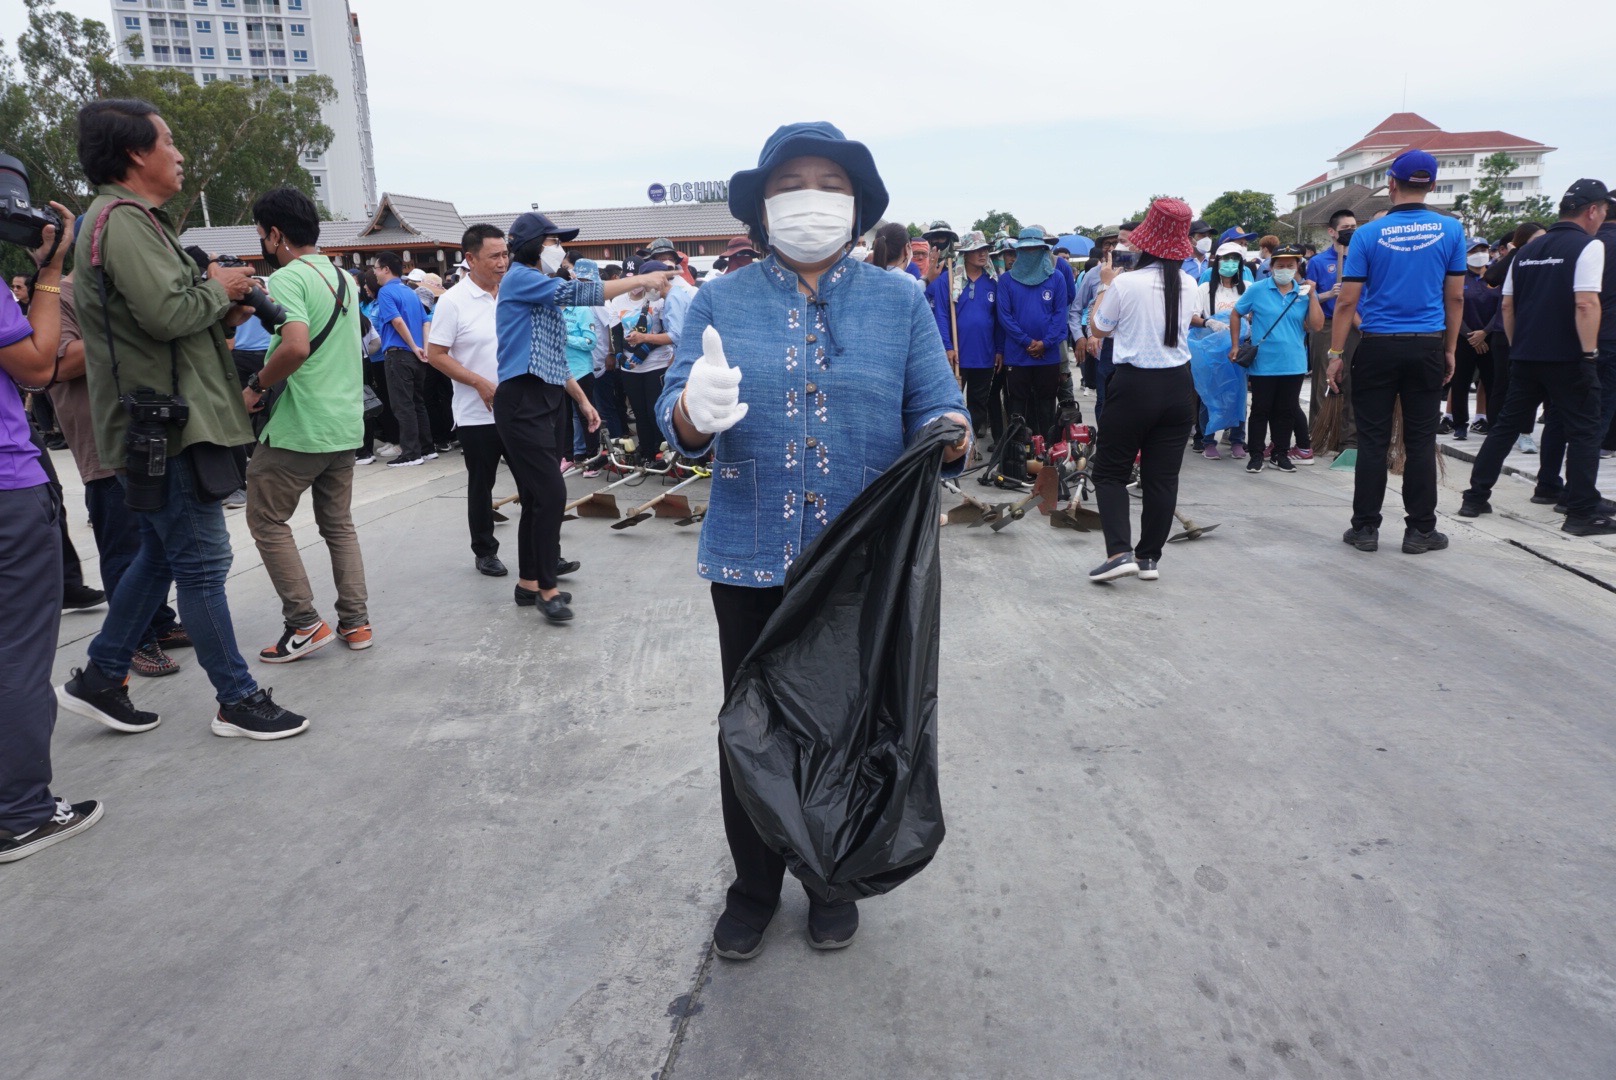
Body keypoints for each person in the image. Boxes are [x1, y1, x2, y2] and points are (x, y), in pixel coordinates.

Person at [656, 121, 968, 960]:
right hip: (749, 558)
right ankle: (755, 885)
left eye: (832, 182)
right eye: (793, 180)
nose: (812, 197)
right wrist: (694, 409)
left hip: (858, 570)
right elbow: (673, 422)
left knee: (849, 729)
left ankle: (831, 874)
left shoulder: (899, 300)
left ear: (859, 203)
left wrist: (951, 432)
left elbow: (941, 405)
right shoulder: (721, 300)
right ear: (763, 203)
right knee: (750, 730)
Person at [55, 97, 307, 740]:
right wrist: (217, 288)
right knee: (199, 561)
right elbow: (168, 316)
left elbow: (164, 322)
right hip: (165, 426)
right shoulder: (124, 220)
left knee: (164, 556)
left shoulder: (132, 220)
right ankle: (237, 698)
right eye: (169, 141)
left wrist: (227, 306)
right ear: (137, 153)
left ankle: (101, 675)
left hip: (167, 417)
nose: (179, 153)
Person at [494, 211, 667, 622]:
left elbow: (554, 357)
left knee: (539, 497)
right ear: (533, 245)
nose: (559, 248)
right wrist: (642, 279)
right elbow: (587, 295)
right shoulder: (521, 278)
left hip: (547, 395)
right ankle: (547, 588)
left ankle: (528, 583)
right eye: (553, 241)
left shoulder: (540, 285)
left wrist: (583, 401)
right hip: (522, 400)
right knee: (552, 494)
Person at [0, 194, 106, 863]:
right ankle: (22, 813)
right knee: (18, 654)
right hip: (8, 492)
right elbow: (39, 364)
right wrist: (49, 270)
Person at [240, 186, 372, 661]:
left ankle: (304, 624)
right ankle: (356, 624)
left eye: (261, 234)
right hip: (344, 422)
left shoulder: (288, 279)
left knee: (266, 518)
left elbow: (295, 346)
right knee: (338, 525)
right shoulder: (342, 277)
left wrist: (255, 386)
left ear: (275, 234)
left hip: (301, 425)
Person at [1326, 150, 1466, 555]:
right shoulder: (1451, 230)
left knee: (1372, 440)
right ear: (1433, 186)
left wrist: (1336, 352)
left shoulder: (1369, 234)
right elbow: (1454, 297)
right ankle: (1421, 530)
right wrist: (1450, 349)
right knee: (1420, 441)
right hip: (1427, 345)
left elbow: (1348, 302)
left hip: (1377, 347)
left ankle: (1366, 528)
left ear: (1391, 184)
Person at [48, 273, 187, 677]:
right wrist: (126, 328)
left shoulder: (117, 289)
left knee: (154, 542)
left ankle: (157, 622)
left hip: (142, 434)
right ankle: (134, 639)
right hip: (103, 440)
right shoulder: (61, 295)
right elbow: (61, 362)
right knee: (124, 547)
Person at [1459, 180, 1614, 536]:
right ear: (1592, 210)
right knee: (1585, 431)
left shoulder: (1526, 251)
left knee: (1505, 428)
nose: (1602, 218)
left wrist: (1518, 348)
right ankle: (1580, 512)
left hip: (1526, 356)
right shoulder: (1588, 247)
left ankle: (1475, 495)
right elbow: (1586, 303)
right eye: (1603, 211)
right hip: (1569, 356)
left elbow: (1508, 306)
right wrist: (1588, 353)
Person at [1086, 198, 1199, 583]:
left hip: (1135, 383)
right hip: (1179, 386)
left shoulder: (1126, 284)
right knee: (1162, 478)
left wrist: (1105, 287)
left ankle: (1119, 552)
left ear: (1145, 240)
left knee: (1110, 472)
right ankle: (1149, 557)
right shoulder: (1189, 283)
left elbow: (1099, 328)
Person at [427, 222, 511, 576]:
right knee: (482, 484)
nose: (502, 262)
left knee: (537, 483)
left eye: (506, 254)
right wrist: (478, 382)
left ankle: (546, 551)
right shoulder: (453, 302)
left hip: (518, 410)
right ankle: (485, 550)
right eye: (494, 256)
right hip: (478, 414)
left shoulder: (510, 294)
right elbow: (436, 354)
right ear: (471, 259)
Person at [1228, 244, 1325, 473]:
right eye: (1280, 265)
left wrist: (1313, 296)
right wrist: (1235, 345)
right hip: (1264, 362)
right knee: (1261, 409)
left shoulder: (1303, 293)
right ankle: (1256, 454)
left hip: (1294, 363)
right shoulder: (1258, 289)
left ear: (1297, 267)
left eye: (1290, 265)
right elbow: (1236, 312)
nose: (1284, 269)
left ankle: (1280, 453)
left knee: (1286, 411)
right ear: (1271, 267)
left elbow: (1318, 326)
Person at [931, 230, 1006, 445]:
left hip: (984, 354)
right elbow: (942, 315)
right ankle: (952, 444)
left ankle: (969, 445)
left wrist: (999, 349)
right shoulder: (950, 279)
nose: (983, 254)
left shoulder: (993, 282)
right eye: (977, 250)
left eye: (985, 250)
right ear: (966, 254)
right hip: (957, 354)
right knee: (952, 402)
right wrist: (947, 346)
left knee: (978, 403)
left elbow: (999, 320)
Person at [997, 227, 1070, 437]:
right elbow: (1005, 316)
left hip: (1048, 356)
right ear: (1019, 251)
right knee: (1017, 406)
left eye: (1036, 249)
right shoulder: (1006, 281)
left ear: (1043, 250)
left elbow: (1060, 315)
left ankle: (1046, 450)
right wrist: (1027, 342)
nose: (1031, 253)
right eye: (1026, 250)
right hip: (1018, 356)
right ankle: (1018, 449)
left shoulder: (1056, 278)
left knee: (1046, 404)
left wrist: (1045, 343)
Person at [1484, 222, 1547, 453]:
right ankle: (1496, 430)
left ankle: (1525, 433)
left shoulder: (1546, 260)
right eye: (1537, 239)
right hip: (1504, 331)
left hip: (1531, 331)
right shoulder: (1515, 259)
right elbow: (1491, 277)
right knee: (1501, 383)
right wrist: (1515, 253)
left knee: (1530, 385)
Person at [1304, 209, 1360, 453]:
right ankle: (1316, 435)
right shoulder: (1318, 262)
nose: (1350, 231)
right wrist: (1329, 294)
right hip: (1326, 324)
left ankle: (1347, 439)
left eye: (1354, 227)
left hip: (1354, 326)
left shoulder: (1361, 258)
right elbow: (1308, 296)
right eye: (1346, 227)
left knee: (1351, 380)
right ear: (1332, 232)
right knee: (1321, 380)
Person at [1191, 242, 1251, 458]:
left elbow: (1254, 314)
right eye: (1226, 259)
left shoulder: (1247, 287)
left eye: (1235, 259)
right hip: (1212, 351)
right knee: (1211, 395)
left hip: (1238, 350)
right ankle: (1208, 440)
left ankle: (1237, 439)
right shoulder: (1205, 289)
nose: (1230, 264)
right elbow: (1192, 316)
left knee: (1238, 395)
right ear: (1217, 263)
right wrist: (1209, 323)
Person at [374, 252, 433, 467]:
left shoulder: (386, 292)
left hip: (399, 355)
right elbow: (426, 321)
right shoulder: (410, 291)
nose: (376, 273)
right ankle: (427, 448)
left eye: (377, 269)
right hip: (417, 356)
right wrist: (422, 348)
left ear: (386, 269)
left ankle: (411, 453)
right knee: (418, 403)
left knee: (403, 406)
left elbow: (397, 322)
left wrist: (412, 346)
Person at [619, 260, 678, 459]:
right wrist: (620, 354)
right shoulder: (619, 301)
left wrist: (643, 349)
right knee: (639, 412)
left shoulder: (660, 299)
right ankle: (646, 452)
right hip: (630, 368)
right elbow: (616, 332)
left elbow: (670, 333)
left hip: (657, 363)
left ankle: (664, 453)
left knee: (656, 410)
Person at [1444, 237, 1499, 440]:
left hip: (1490, 337)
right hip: (1463, 337)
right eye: (1474, 250)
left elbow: (1503, 307)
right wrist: (1470, 335)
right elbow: (1451, 307)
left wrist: (1485, 332)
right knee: (1460, 383)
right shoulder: (1458, 277)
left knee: (1493, 383)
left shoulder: (1496, 277)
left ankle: (1493, 424)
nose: (1480, 254)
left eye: (1483, 249)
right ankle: (1459, 425)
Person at [563, 258, 602, 471]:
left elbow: (590, 342)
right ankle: (568, 456)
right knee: (564, 419)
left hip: (580, 371)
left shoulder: (582, 310)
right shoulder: (553, 311)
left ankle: (593, 459)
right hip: (559, 372)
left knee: (586, 415)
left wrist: (566, 338)